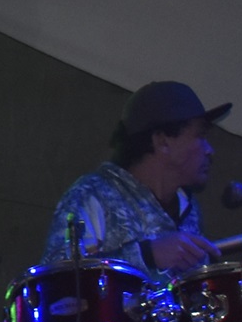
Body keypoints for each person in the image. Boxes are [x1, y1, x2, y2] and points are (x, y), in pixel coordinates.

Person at [42, 81, 227, 273]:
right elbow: (54, 279)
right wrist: (146, 255)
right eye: (200, 136)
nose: (209, 150)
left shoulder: (189, 207)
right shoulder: (92, 194)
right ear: (162, 141)